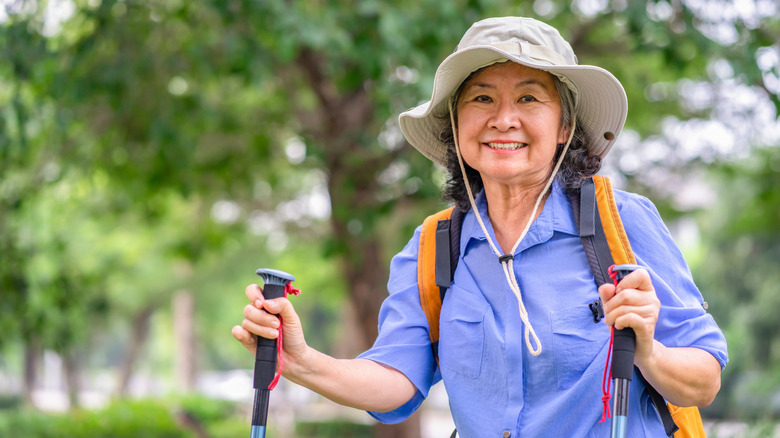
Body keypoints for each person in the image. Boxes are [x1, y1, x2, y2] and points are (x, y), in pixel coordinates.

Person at [232, 16, 728, 436]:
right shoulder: (435, 245)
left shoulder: (620, 222)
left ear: (564, 129)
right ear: (455, 125)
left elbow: (703, 380)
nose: (503, 119)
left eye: (530, 98)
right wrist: (299, 361)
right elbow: (397, 385)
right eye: (482, 99)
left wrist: (649, 353)